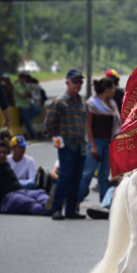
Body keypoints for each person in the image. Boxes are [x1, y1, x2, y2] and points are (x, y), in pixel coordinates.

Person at [45, 69, 88, 220]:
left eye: (80, 81)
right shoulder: (59, 102)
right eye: (75, 81)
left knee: (77, 178)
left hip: (81, 146)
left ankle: (70, 209)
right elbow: (49, 124)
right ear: (67, 83)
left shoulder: (82, 102)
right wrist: (58, 138)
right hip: (67, 145)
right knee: (64, 177)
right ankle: (56, 209)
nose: (78, 84)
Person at [78, 78, 121, 205]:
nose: (114, 90)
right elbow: (88, 127)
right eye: (112, 88)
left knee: (104, 177)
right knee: (87, 174)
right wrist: (92, 146)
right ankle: (76, 202)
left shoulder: (112, 104)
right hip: (96, 142)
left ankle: (104, 204)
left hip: (109, 143)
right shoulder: (91, 104)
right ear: (106, 89)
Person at [0, 141, 49, 216]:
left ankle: (50, 205)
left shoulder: (5, 164)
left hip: (20, 190)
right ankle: (48, 211)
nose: (2, 155)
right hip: (6, 198)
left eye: (4, 152)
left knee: (40, 192)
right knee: (31, 203)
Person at [14, 72, 41, 139]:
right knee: (28, 123)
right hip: (21, 105)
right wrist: (27, 94)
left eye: (24, 78)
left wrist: (27, 94)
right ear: (19, 79)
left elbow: (30, 94)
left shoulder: (26, 85)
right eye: (22, 78)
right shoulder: (18, 86)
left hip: (28, 104)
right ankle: (33, 135)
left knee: (38, 111)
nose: (23, 80)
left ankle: (24, 119)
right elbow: (23, 95)